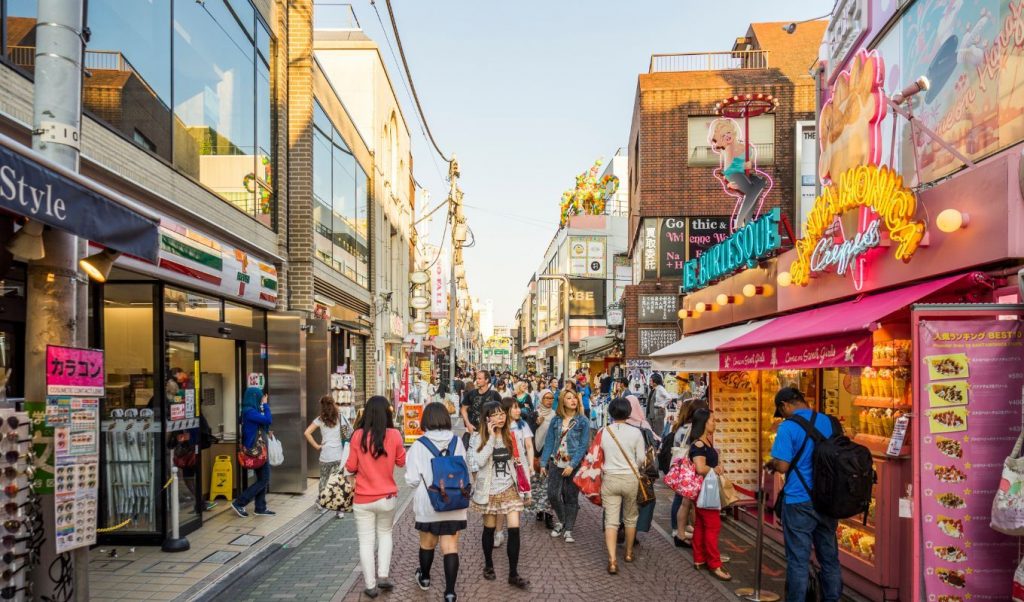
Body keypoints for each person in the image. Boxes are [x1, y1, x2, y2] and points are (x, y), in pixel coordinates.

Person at [765, 387, 841, 602]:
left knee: (798, 560)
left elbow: (782, 465)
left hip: (799, 499)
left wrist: (771, 463)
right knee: (829, 558)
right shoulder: (828, 421)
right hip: (827, 500)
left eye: (782, 411)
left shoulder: (788, 427)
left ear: (785, 405)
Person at [345, 396, 407, 599]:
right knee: (385, 535)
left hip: (362, 498)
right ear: (387, 413)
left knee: (365, 541)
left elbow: (351, 467)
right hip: (387, 496)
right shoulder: (395, 435)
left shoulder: (357, 436)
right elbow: (400, 462)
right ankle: (383, 576)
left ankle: (370, 585)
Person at [405, 403, 467, 602]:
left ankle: (424, 578)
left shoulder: (418, 444)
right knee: (450, 547)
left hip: (429, 501)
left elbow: (412, 479)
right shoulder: (457, 441)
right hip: (454, 500)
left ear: (426, 420)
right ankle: (449, 592)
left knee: (427, 544)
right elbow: (463, 469)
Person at [467, 401, 530, 589]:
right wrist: (492, 438)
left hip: (509, 488)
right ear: (487, 418)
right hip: (488, 490)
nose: (501, 417)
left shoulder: (512, 435)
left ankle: (513, 573)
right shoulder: (478, 437)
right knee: (489, 528)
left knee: (514, 528)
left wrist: (526, 490)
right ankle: (488, 564)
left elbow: (522, 461)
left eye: (502, 413)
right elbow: (478, 460)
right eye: (496, 414)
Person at [600, 397, 647, 574]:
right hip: (630, 478)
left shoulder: (604, 431)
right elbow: (641, 458)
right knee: (630, 517)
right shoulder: (636, 433)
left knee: (611, 521)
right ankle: (628, 553)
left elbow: (598, 456)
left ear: (611, 412)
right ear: (628, 412)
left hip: (610, 478)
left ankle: (612, 560)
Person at [539, 389, 590, 544]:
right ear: (562, 401)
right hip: (556, 462)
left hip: (573, 464)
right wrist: (543, 463)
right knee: (552, 494)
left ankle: (568, 529)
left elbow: (583, 445)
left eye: (574, 397)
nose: (573, 400)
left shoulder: (582, 421)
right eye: (569, 398)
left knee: (570, 496)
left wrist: (573, 464)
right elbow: (549, 442)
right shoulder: (556, 420)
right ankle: (562, 520)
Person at [688, 408, 730, 581]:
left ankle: (699, 558)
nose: (715, 423)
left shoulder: (705, 442)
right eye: (712, 420)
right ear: (704, 423)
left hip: (704, 490)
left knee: (701, 525)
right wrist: (716, 469)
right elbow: (700, 468)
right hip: (706, 491)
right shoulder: (699, 445)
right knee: (713, 526)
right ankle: (714, 564)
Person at [669, 399, 709, 546]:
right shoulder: (691, 429)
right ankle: (677, 529)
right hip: (688, 469)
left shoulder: (682, 427)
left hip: (682, 468)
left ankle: (680, 527)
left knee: (682, 500)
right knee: (682, 500)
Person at [304, 395, 350, 518]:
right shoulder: (340, 417)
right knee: (338, 482)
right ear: (334, 404)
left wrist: (317, 446)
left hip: (325, 455)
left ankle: (321, 502)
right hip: (339, 455)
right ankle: (339, 510)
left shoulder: (320, 419)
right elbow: (349, 431)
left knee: (324, 480)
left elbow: (307, 433)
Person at [232, 387, 275, 517]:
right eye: (260, 397)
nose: (262, 399)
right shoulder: (249, 412)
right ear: (254, 397)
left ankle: (260, 507)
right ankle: (239, 502)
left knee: (263, 478)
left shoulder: (251, 411)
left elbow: (263, 424)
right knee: (264, 479)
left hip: (259, 450)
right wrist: (266, 405)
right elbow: (268, 420)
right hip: (256, 451)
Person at [624, 395, 659, 541]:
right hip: (641, 472)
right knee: (639, 501)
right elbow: (654, 447)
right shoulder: (644, 425)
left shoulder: (619, 424)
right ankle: (634, 532)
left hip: (622, 471)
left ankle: (621, 526)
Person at [528, 389, 556, 529]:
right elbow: (528, 434)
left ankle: (549, 515)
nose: (549, 401)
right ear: (541, 399)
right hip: (535, 452)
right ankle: (539, 510)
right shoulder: (534, 414)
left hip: (549, 454)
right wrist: (536, 423)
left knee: (549, 485)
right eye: (546, 398)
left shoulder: (556, 416)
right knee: (537, 484)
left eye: (551, 398)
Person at [460, 370, 502, 450]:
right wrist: (468, 424)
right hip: (474, 432)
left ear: (486, 380)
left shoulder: (494, 395)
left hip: (490, 432)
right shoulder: (471, 394)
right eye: (476, 378)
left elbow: (501, 412)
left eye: (479, 379)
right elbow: (463, 409)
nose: (477, 381)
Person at [647, 373, 675, 440]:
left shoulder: (660, 388)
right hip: (654, 411)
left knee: (657, 431)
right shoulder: (655, 389)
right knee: (653, 429)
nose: (650, 382)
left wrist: (663, 405)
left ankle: (658, 444)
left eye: (651, 380)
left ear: (655, 381)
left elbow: (669, 397)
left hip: (658, 411)